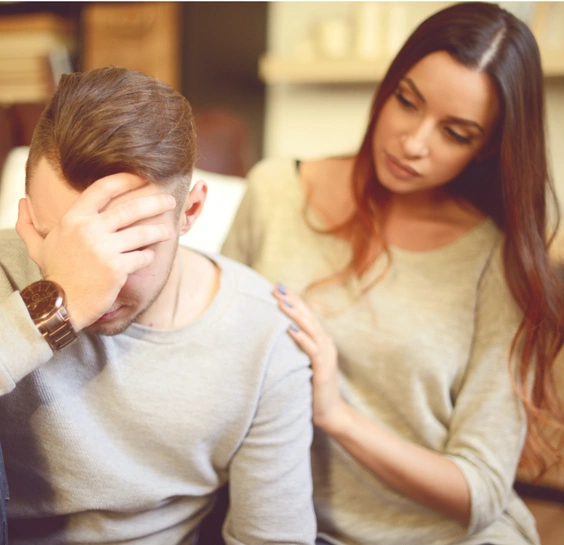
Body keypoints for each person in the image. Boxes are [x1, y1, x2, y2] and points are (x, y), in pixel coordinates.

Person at [0, 67, 317, 545]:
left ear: (189, 212)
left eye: (126, 245)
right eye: (61, 239)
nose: (97, 276)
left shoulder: (263, 337)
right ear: (28, 215)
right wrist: (51, 308)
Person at [222, 3, 564, 545]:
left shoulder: (494, 259)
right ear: (388, 87)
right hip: (285, 522)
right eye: (407, 102)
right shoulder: (274, 192)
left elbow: (480, 492)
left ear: (486, 148)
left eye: (455, 133)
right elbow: (214, 354)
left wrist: (337, 415)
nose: (413, 143)